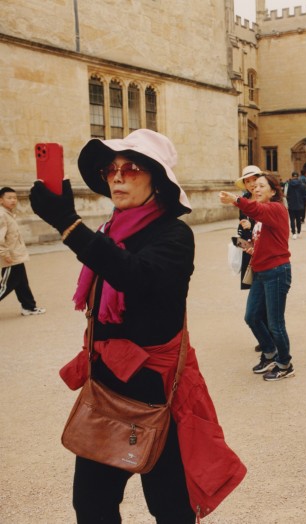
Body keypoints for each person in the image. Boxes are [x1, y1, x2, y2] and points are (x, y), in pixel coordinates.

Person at [29, 129, 246, 522]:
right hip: (107, 389)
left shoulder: (173, 234)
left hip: (155, 394)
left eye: (130, 168)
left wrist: (67, 223)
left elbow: (136, 276)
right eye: (110, 169)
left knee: (170, 509)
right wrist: (73, 228)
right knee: (91, 505)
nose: (116, 176)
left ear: (156, 179)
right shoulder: (109, 230)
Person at [220, 173, 295, 381]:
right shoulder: (262, 215)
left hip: (277, 272)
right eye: (255, 186)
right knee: (252, 316)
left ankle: (285, 363)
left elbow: (255, 208)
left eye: (262, 186)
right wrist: (247, 247)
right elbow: (262, 240)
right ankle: (271, 353)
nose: (257, 189)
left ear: (273, 190)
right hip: (262, 271)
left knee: (275, 323)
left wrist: (235, 200)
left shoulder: (276, 208)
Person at [0, 187, 46, 316]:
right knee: (5, 286)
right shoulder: (1, 215)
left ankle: (29, 307)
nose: (13, 200)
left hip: (16, 256)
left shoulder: (8, 214)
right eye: (9, 198)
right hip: (10, 257)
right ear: (1, 200)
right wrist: (5, 254)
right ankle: (28, 306)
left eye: (15, 198)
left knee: (21, 283)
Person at [235, 165, 262, 291]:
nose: (252, 184)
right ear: (245, 185)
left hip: (263, 250)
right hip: (248, 249)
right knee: (252, 286)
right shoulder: (243, 200)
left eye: (254, 179)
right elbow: (240, 225)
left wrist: (252, 227)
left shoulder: (265, 199)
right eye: (248, 181)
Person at [286, 172, 306, 239]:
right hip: (299, 205)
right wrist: (303, 203)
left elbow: (287, 195)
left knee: (292, 219)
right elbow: (304, 196)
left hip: (291, 205)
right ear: (298, 176)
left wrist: (289, 202)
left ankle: (293, 233)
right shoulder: (302, 185)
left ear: (292, 176)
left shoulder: (289, 184)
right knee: (298, 219)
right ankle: (299, 232)